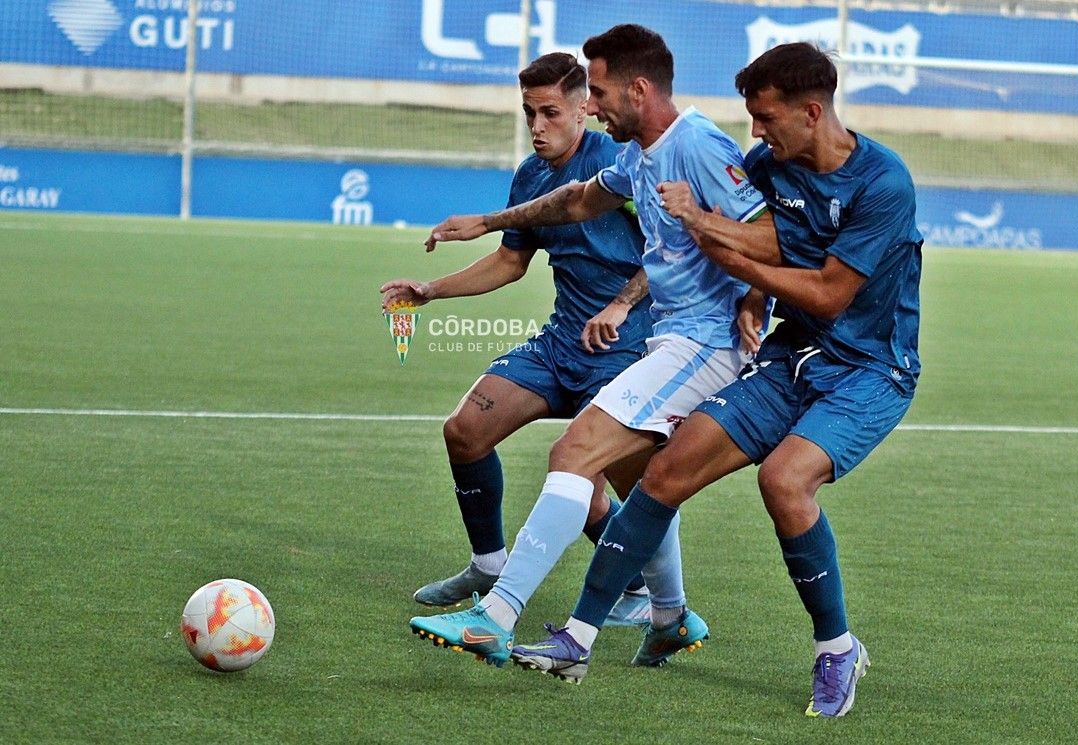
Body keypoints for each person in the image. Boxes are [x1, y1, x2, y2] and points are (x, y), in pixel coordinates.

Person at [510, 41, 923, 720]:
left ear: (812, 112)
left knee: (784, 480)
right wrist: (751, 299)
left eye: (764, 118)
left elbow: (825, 293)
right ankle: (576, 638)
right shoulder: (765, 166)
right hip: (793, 356)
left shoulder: (882, 184)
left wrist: (707, 229)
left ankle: (837, 646)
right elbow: (754, 243)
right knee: (665, 471)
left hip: (871, 370)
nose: (754, 133)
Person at [408, 24, 774, 673]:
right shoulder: (638, 155)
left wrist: (749, 294)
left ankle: (495, 616)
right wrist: (490, 222)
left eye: (598, 92)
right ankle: (668, 615)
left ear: (637, 89)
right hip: (667, 338)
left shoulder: (696, 142)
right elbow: (578, 199)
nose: (594, 107)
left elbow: (768, 236)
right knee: (649, 484)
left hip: (704, 340)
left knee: (577, 455)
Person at [381, 52, 655, 626]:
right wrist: (429, 291)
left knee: (585, 484)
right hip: (561, 344)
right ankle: (488, 564)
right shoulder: (531, 176)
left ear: (585, 109)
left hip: (627, 348)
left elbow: (672, 251)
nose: (536, 126)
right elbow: (511, 262)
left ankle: (644, 594)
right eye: (529, 112)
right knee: (465, 430)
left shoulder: (621, 164)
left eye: (549, 112)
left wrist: (621, 302)